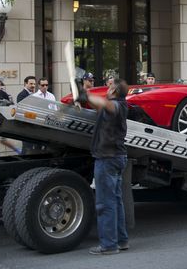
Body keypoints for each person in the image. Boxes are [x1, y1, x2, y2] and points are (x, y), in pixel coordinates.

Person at [79, 78, 130, 255]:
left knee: (105, 203)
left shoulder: (117, 105)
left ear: (115, 90)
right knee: (115, 201)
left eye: (109, 86)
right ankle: (121, 241)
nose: (107, 88)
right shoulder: (116, 106)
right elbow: (100, 106)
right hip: (115, 158)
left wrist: (86, 94)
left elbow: (105, 105)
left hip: (108, 159)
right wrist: (86, 95)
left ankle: (108, 245)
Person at [0, 75, 19, 155]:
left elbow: (3, 107)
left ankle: (17, 150)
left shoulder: (1, 93)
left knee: (0, 138)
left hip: (1, 119)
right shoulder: (0, 92)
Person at [16, 76, 38, 154]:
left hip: (33, 126)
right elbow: (23, 111)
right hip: (26, 127)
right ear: (25, 84)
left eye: (34, 84)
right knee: (27, 148)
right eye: (31, 83)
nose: (33, 85)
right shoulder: (21, 95)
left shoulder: (34, 95)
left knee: (31, 148)